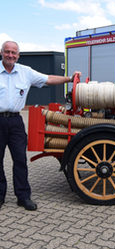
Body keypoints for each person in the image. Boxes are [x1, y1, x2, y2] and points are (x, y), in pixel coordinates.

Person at [0, 41, 81, 211]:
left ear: (18, 55)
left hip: (15, 122)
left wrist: (70, 79)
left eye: (14, 53)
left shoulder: (25, 72)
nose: (10, 55)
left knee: (20, 160)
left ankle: (23, 197)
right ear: (2, 53)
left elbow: (49, 78)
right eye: (7, 52)